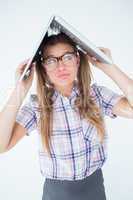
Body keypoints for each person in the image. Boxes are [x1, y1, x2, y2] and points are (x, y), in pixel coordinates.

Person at [0, 32, 133, 200]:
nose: (61, 67)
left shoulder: (97, 95)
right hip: (56, 194)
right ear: (43, 68)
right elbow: (1, 145)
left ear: (77, 60)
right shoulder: (37, 106)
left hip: (95, 192)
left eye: (67, 57)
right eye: (51, 60)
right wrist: (19, 90)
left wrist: (109, 67)